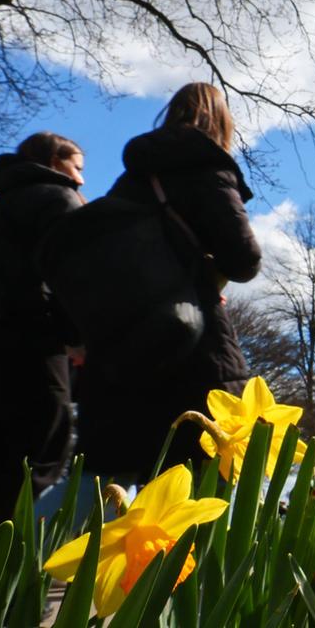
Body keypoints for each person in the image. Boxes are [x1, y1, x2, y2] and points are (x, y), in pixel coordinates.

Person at [74, 83, 262, 483]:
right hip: (193, 343)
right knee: (204, 482)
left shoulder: (131, 181)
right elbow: (244, 260)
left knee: (118, 479)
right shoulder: (207, 168)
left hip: (124, 347)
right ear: (221, 121)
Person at [0, 132, 85, 530]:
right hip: (38, 348)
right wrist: (78, 337)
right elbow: (69, 277)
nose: (80, 178)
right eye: (77, 167)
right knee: (41, 461)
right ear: (55, 161)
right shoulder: (60, 201)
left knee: (3, 465)